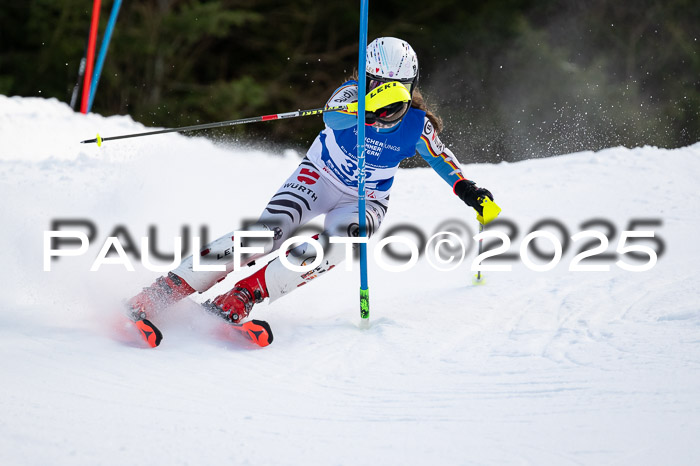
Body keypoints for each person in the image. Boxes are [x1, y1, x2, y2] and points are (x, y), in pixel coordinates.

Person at [127, 37, 496, 347]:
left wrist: (470, 191)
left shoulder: (416, 123)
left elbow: (443, 159)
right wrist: (368, 110)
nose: (390, 97)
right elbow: (332, 117)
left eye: (399, 87)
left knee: (338, 243)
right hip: (317, 177)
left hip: (364, 200)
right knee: (265, 234)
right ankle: (163, 291)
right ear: (367, 78)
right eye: (378, 83)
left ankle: (241, 297)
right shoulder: (349, 96)